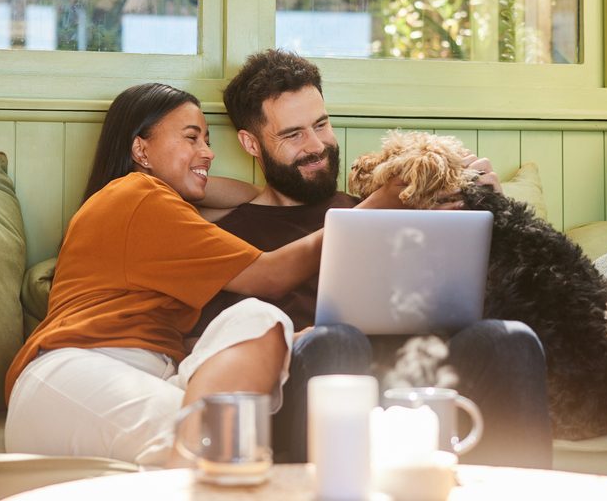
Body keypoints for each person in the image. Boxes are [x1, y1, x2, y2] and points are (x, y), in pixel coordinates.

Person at [3, 82, 405, 467]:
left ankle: (210, 458)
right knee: (217, 441)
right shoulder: (136, 195)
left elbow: (249, 196)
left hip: (160, 374)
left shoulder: (163, 208)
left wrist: (289, 339)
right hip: (74, 374)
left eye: (208, 140)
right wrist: (375, 206)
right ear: (140, 149)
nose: (208, 152)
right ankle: (214, 463)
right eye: (192, 138)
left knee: (260, 319)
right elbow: (270, 275)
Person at [196, 49, 555, 468]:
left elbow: (475, 295)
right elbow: (220, 349)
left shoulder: (391, 203)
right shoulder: (232, 235)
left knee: (511, 340)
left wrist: (492, 210)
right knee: (335, 341)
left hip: (416, 374)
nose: (317, 146)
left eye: (321, 125)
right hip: (319, 377)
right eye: (293, 135)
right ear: (250, 143)